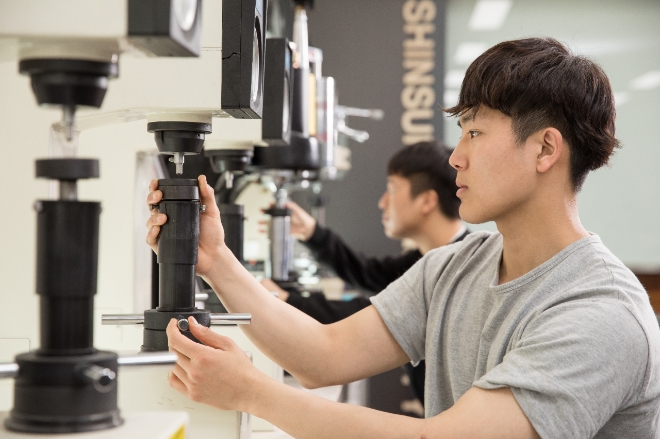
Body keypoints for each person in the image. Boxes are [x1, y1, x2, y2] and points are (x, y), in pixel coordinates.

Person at [146, 37, 660, 438]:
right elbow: (322, 355)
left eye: (475, 133)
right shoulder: (457, 266)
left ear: (546, 149)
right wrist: (214, 259)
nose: (456, 157)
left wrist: (254, 393)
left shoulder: (601, 314)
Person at [262, 140, 468, 405]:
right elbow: (369, 273)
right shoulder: (430, 258)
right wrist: (313, 233)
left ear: (427, 200)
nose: (382, 202)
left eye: (392, 189)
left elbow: (370, 314)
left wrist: (286, 301)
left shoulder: (454, 269)